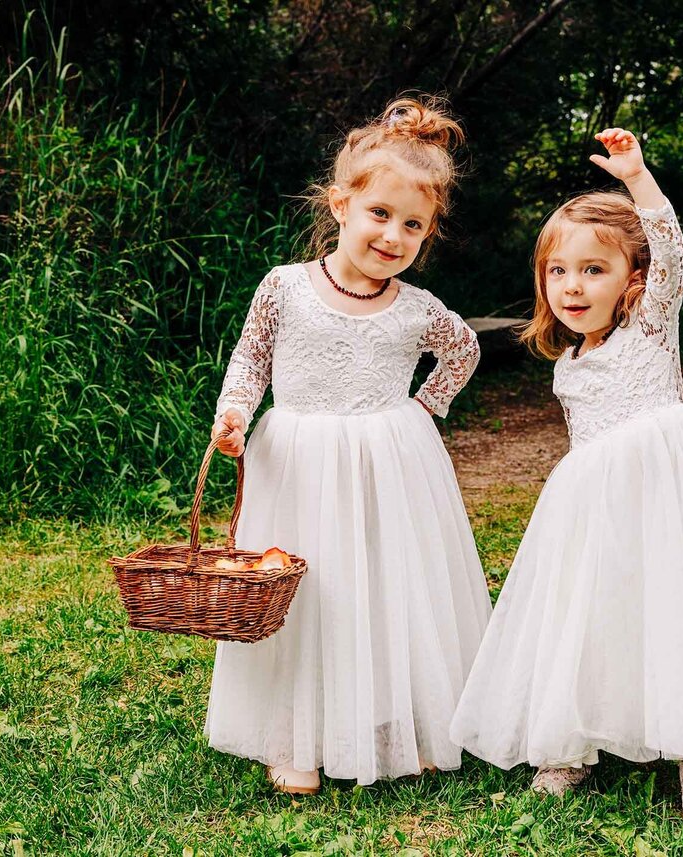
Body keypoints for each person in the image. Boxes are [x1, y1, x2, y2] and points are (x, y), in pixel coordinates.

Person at [450, 128, 683, 816]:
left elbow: (673, 253)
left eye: (593, 269)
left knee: (670, 604)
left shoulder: (651, 326)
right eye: (558, 271)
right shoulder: (566, 363)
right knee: (586, 610)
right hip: (592, 504)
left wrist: (637, 180)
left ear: (632, 279)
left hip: (661, 491)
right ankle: (571, 742)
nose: (573, 285)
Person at [205, 96, 492, 794]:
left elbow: (465, 349)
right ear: (340, 206)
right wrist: (236, 411)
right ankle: (293, 734)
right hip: (300, 459)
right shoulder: (285, 288)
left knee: (389, 587)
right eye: (380, 215)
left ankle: (404, 723)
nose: (393, 235)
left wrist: (425, 410)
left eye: (413, 225)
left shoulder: (417, 307)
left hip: (389, 463)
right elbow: (251, 357)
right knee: (308, 592)